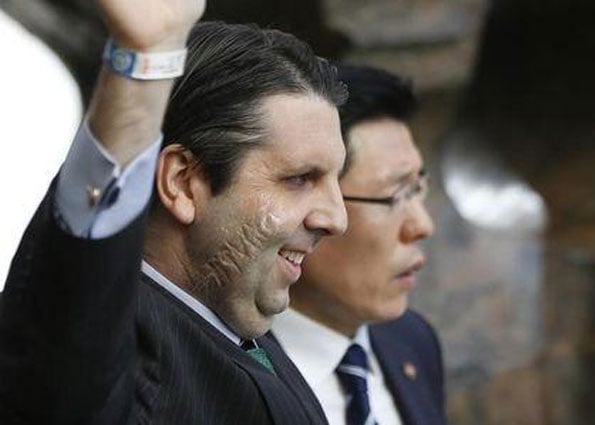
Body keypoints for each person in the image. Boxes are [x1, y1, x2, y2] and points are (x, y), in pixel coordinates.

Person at [0, 0, 348, 424]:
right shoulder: (118, 353)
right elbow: (72, 311)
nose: (336, 218)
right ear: (182, 183)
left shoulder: (232, 316)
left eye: (335, 180)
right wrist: (146, 61)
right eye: (299, 179)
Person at [270, 64, 447, 425]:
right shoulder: (225, 374)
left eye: (418, 188)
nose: (422, 225)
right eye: (394, 195)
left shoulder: (411, 339)